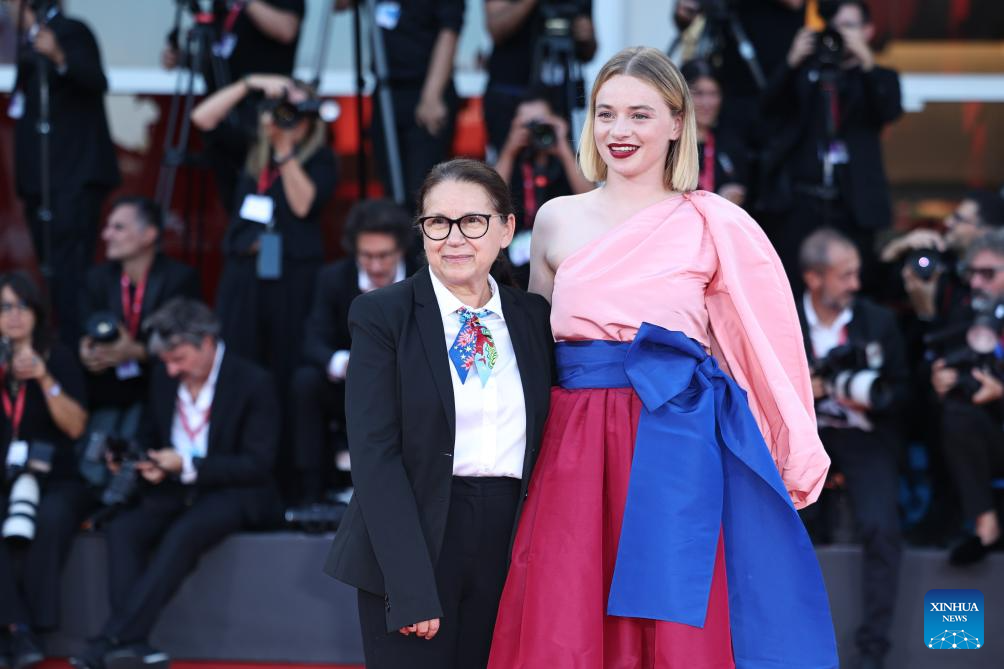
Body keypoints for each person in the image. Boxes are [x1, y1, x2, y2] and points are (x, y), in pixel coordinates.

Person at [488, 47, 836, 668]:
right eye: (606, 113)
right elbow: (534, 351)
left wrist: (790, 448)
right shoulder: (556, 219)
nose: (619, 131)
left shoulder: (714, 223)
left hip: (677, 441)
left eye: (639, 114)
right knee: (569, 604)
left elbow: (761, 346)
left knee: (674, 620)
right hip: (575, 444)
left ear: (678, 122)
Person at [322, 159, 554, 668]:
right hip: (416, 537)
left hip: (509, 539)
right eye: (438, 223)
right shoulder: (383, 315)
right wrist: (409, 584)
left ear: (506, 229)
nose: (454, 239)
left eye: (472, 221)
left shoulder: (533, 318)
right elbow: (375, 457)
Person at [69, 299, 281, 669]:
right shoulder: (164, 379)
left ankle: (110, 640)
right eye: (166, 361)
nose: (171, 369)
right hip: (174, 486)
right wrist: (142, 461)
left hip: (235, 490)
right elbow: (151, 434)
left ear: (207, 343)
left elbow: (258, 464)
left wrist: (189, 465)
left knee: (186, 532)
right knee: (124, 529)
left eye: (179, 359)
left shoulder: (252, 381)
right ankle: (133, 643)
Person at [191, 74, 337, 439]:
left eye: (296, 109)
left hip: (292, 280)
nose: (288, 116)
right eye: (282, 108)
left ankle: (286, 457)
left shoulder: (320, 158)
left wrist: (285, 150)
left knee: (287, 364)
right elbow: (202, 119)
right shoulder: (253, 151)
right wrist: (250, 84)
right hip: (245, 276)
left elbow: (303, 206)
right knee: (239, 362)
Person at [796, 229, 908, 669]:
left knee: (882, 527)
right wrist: (802, 389)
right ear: (814, 277)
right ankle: (792, 644)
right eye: (845, 275)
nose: (855, 285)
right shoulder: (782, 318)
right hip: (803, 435)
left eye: (856, 274)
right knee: (785, 525)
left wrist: (872, 396)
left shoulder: (877, 322)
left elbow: (907, 394)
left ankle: (872, 651)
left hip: (863, 436)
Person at [760, 0, 902, 290]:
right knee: (792, 284)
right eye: (835, 27)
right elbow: (767, 111)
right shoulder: (808, 72)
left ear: (868, 31)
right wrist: (791, 62)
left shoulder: (880, 76)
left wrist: (866, 62)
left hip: (854, 206)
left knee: (855, 281)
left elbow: (888, 110)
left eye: (849, 26)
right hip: (802, 202)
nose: (841, 34)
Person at [290, 198, 417, 507]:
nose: (375, 266)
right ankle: (311, 493)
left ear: (401, 249)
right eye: (366, 256)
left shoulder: (423, 277)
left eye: (384, 255)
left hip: (409, 385)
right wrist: (346, 364)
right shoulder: (334, 278)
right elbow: (313, 339)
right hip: (350, 385)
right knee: (305, 383)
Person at [9, 0, 121, 345]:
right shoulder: (27, 43)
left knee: (72, 274)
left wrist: (60, 57)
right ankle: (56, 345)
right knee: (52, 274)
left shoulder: (70, 31)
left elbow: (96, 80)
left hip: (71, 179)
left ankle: (77, 351)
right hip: (41, 184)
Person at [0, 272, 89, 669]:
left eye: (23, 306)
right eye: (4, 307)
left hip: (56, 477)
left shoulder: (59, 357)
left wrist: (44, 378)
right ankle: (17, 628)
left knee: (50, 518)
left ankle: (30, 628)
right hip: (5, 478)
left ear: (36, 312)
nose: (14, 315)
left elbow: (76, 427)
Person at [79, 196, 201, 451]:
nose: (106, 235)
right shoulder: (97, 278)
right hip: (107, 388)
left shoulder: (180, 279)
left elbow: (188, 344)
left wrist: (136, 351)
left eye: (118, 227)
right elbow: (82, 327)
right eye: (107, 226)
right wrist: (88, 351)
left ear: (149, 235)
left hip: (156, 389)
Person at [930, 229, 1004, 566]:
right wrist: (939, 379)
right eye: (971, 273)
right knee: (956, 412)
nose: (976, 283)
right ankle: (985, 523)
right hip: (988, 440)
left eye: (987, 274)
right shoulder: (965, 316)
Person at [492, 94, 594, 284]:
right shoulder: (510, 160)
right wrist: (509, 149)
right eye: (528, 125)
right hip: (513, 253)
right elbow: (490, 196)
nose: (534, 131)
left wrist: (563, 147)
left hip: (560, 249)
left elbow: (591, 197)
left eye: (541, 124)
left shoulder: (565, 161)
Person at [483, 0, 596, 158]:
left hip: (560, 97)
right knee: (509, 159)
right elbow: (496, 28)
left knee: (562, 160)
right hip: (510, 94)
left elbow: (589, 51)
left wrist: (585, 35)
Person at [680, 59, 749, 208]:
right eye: (699, 93)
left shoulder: (730, 144)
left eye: (714, 93)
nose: (707, 103)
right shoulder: (669, 147)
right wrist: (716, 202)